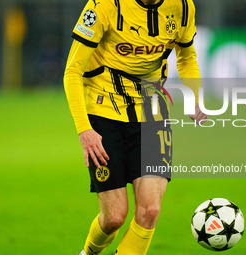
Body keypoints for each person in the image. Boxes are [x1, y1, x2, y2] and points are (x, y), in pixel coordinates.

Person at [63, 0, 207, 254]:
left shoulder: (182, 6)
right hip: (103, 113)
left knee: (150, 209)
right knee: (114, 218)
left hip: (152, 111)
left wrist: (195, 95)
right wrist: (84, 129)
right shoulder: (104, 5)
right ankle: (89, 252)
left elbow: (186, 57)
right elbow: (73, 70)